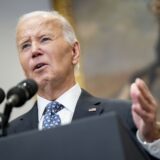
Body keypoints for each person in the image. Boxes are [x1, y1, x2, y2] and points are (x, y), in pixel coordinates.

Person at [6, 10, 160, 159]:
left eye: (45, 39)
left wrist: (151, 136)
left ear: (74, 51)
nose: (34, 51)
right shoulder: (9, 134)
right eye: (25, 45)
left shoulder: (123, 115)